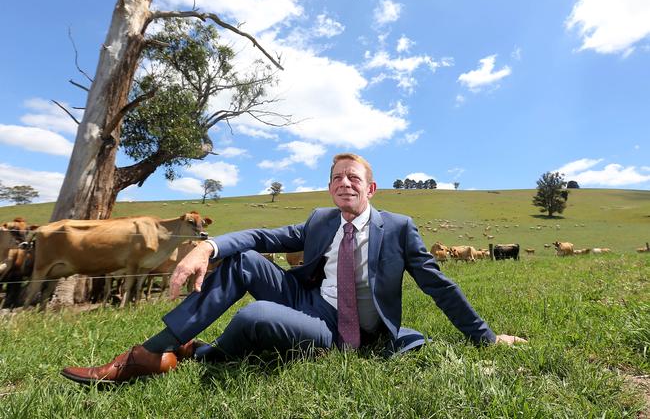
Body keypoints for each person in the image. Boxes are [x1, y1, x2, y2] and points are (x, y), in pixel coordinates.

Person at [61, 153, 526, 384]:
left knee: (253, 317)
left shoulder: (399, 229)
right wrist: (209, 247)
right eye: (337, 178)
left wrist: (486, 337)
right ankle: (146, 355)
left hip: (349, 335)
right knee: (242, 260)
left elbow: (439, 286)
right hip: (311, 304)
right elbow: (263, 238)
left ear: (371, 188)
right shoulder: (321, 220)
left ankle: (201, 352)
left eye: (354, 178)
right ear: (329, 187)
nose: (345, 183)